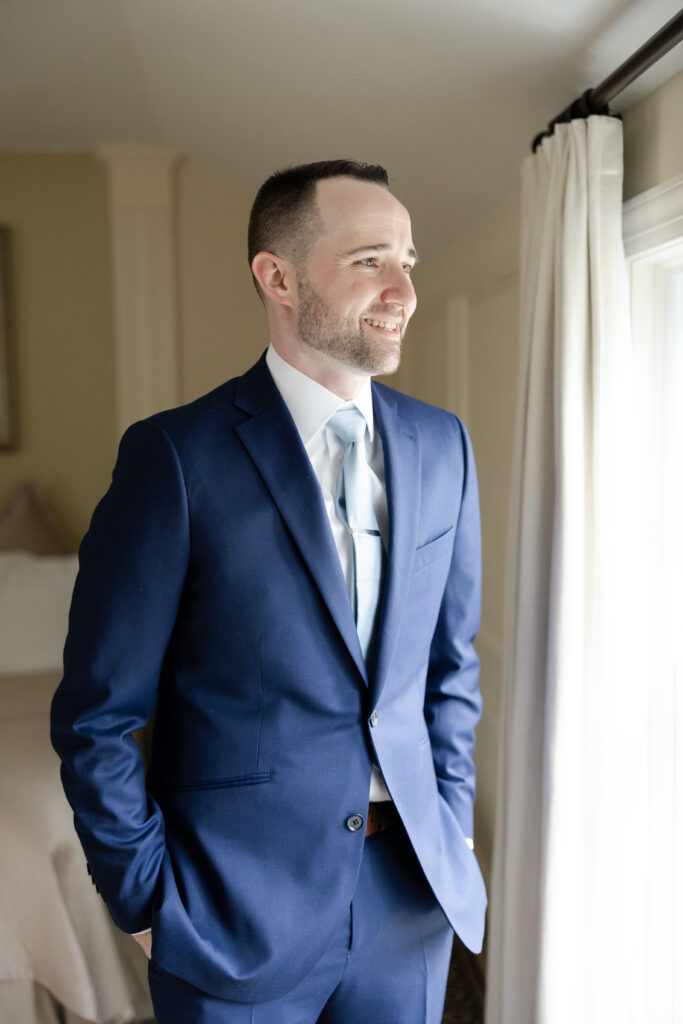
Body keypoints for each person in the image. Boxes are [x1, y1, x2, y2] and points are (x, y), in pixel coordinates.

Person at [51, 159, 486, 1023]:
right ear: (277, 277)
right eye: (369, 260)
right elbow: (98, 713)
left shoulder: (444, 447)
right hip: (231, 913)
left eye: (409, 260)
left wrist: (453, 823)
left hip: (408, 900)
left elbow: (449, 668)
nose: (402, 288)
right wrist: (143, 900)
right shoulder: (175, 458)